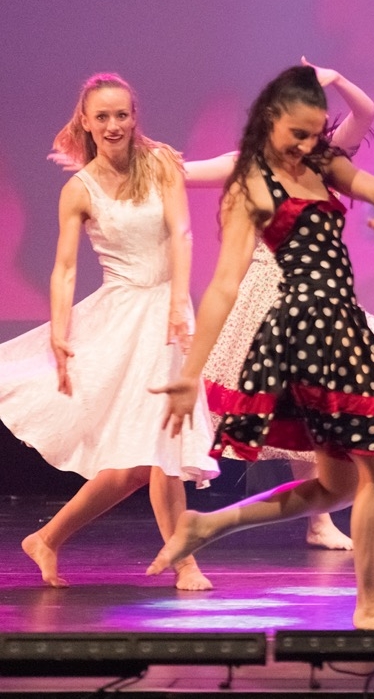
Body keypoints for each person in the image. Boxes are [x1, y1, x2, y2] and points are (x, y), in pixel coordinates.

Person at [149, 65, 374, 630]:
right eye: (297, 134)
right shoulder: (252, 185)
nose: (306, 145)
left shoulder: (321, 163)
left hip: (341, 322)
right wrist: (191, 372)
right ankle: (371, 606)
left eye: (314, 134)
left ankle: (207, 525)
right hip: (309, 329)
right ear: (269, 119)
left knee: (338, 486)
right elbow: (225, 285)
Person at [183, 58, 374, 552]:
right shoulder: (246, 167)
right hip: (268, 293)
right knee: (298, 406)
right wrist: (121, 164)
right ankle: (305, 521)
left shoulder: (322, 159)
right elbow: (180, 173)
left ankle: (318, 519)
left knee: (322, 410)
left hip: (323, 299)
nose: (307, 140)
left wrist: (338, 79)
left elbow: (366, 113)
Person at [0, 73, 219, 590]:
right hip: (120, 319)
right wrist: (58, 332)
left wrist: (178, 302)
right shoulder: (79, 189)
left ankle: (46, 538)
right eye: (103, 117)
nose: (114, 125)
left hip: (167, 313)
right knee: (154, 452)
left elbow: (182, 233)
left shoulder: (160, 163)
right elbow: (64, 269)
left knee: (142, 460)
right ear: (86, 121)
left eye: (122, 114)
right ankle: (185, 563)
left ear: (134, 116)